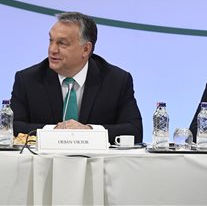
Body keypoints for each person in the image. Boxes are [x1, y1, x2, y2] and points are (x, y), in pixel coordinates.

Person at [10, 12, 143, 143]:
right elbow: (11, 127)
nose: (52, 50)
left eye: (62, 43)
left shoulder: (116, 80)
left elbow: (134, 131)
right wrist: (52, 131)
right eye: (51, 41)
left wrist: (89, 131)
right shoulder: (28, 79)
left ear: (86, 49)